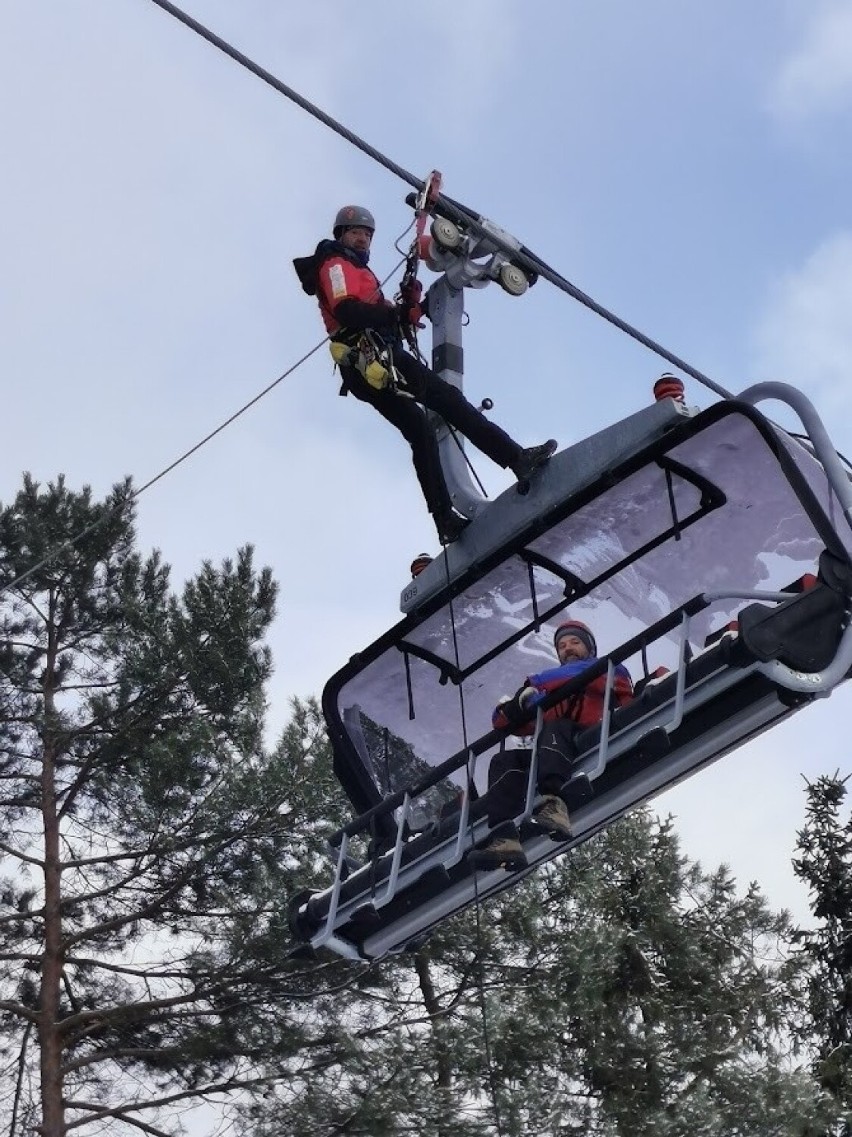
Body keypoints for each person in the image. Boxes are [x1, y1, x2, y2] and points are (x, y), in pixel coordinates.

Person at [294, 205, 557, 544]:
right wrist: (394, 315)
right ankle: (516, 458)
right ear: (341, 234)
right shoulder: (334, 264)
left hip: (371, 364)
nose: (363, 238)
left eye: (368, 234)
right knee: (447, 401)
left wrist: (405, 311)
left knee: (420, 429)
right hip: (373, 357)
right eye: (356, 231)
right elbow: (347, 310)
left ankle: (444, 519)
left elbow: (379, 315)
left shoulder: (358, 271)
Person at [469, 619, 634, 871]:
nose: (567, 648)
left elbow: (577, 675)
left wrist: (534, 684)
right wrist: (518, 705)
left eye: (575, 643)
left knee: (557, 726)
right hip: (553, 749)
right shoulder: (552, 691)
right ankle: (504, 836)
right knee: (504, 760)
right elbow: (500, 722)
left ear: (589, 648)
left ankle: (554, 804)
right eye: (562, 646)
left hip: (592, 733)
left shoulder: (608, 669)